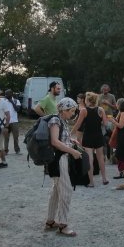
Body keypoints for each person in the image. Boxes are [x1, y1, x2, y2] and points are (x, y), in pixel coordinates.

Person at [45, 97, 82, 237]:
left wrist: (70, 140)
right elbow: (54, 141)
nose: (73, 114)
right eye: (72, 111)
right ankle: (63, 224)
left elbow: (60, 139)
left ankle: (50, 221)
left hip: (59, 159)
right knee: (66, 191)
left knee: (56, 190)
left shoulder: (62, 121)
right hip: (59, 160)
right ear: (64, 110)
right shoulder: (55, 120)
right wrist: (73, 151)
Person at [71, 92, 109, 186]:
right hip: (98, 136)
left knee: (90, 159)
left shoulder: (84, 111)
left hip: (88, 137)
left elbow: (78, 125)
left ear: (87, 100)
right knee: (100, 158)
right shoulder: (100, 110)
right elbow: (105, 124)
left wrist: (70, 133)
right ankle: (104, 179)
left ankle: (91, 182)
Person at [108, 98, 124, 179]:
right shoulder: (122, 112)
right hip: (123, 135)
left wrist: (112, 121)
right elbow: (119, 122)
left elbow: (121, 126)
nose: (116, 105)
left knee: (121, 154)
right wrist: (114, 119)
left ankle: (123, 172)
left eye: (117, 104)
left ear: (120, 105)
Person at [3, 89, 21, 155]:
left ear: (11, 94)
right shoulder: (4, 101)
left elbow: (17, 109)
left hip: (14, 121)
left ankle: (17, 150)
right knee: (6, 137)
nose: (5, 95)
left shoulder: (17, 101)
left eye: (7, 94)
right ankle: (5, 150)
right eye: (5, 94)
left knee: (16, 137)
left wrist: (12, 102)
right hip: (6, 122)